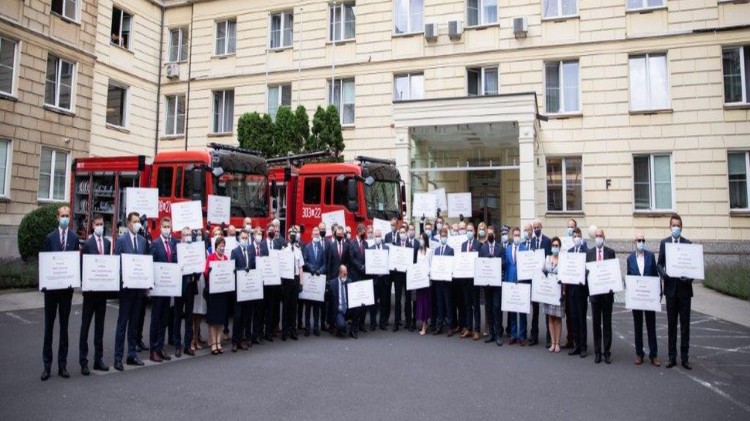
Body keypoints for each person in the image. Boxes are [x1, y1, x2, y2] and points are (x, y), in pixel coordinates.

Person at [40, 206, 79, 381]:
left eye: (67, 216)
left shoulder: (74, 238)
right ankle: (47, 366)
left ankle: (62, 365)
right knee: (49, 328)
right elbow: (46, 263)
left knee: (64, 328)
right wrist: (45, 283)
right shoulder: (50, 238)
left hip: (66, 292)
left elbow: (74, 263)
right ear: (57, 218)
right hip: (51, 292)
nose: (65, 218)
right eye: (62, 216)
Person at [113, 212, 150, 371]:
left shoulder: (142, 241)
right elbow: (117, 262)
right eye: (134, 222)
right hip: (126, 289)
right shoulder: (121, 240)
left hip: (139, 290)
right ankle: (118, 357)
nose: (137, 224)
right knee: (122, 323)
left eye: (138, 222)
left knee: (134, 324)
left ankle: (132, 354)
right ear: (128, 224)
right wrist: (124, 277)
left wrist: (147, 283)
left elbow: (146, 262)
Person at [657, 214, 694, 370]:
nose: (676, 228)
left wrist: (689, 278)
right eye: (674, 225)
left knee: (685, 326)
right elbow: (659, 264)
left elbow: (693, 267)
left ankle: (684, 358)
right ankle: (672, 357)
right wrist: (663, 274)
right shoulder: (664, 243)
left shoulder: (688, 244)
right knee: (672, 325)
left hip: (685, 291)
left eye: (678, 225)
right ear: (670, 226)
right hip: (671, 291)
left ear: (681, 227)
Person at [79, 214, 110, 375]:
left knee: (100, 328)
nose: (100, 227)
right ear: (92, 226)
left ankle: (98, 359)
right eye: (97, 224)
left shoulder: (107, 242)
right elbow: (83, 266)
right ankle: (83, 361)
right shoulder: (88, 244)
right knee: (85, 327)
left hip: (102, 293)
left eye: (101, 224)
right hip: (90, 294)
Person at [627, 232, 660, 367]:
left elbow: (655, 275)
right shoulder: (630, 259)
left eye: (643, 240)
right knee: (638, 326)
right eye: (638, 240)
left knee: (651, 326)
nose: (641, 242)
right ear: (634, 242)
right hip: (636, 297)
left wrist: (659, 292)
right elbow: (629, 277)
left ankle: (654, 355)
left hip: (649, 296)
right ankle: (639, 353)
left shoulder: (651, 256)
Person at [149, 217, 177, 362]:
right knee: (155, 319)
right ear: (160, 227)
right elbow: (151, 265)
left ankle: (160, 347)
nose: (167, 229)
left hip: (168, 288)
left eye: (169, 227)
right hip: (158, 289)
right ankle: (153, 350)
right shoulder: (155, 244)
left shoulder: (173, 244)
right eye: (165, 226)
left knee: (164, 319)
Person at [586, 228, 616, 365]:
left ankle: (607, 352)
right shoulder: (590, 253)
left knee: (607, 324)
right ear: (594, 238)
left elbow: (614, 272)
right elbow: (587, 273)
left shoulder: (610, 252)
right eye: (596, 236)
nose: (598, 238)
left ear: (604, 237)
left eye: (600, 236)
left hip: (607, 295)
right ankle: (597, 352)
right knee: (596, 324)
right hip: (595, 295)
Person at [174, 227, 198, 357]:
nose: (189, 236)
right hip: (180, 286)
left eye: (190, 234)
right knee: (178, 316)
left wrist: (197, 272)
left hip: (191, 286)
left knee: (189, 317)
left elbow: (200, 266)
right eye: (186, 234)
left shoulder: (195, 249)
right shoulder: (177, 248)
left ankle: (187, 345)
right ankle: (177, 345)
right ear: (182, 236)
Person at [204, 237, 230, 355]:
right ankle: (213, 342)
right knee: (213, 319)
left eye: (223, 245)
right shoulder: (210, 257)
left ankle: (218, 341)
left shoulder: (226, 258)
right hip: (213, 293)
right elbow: (205, 273)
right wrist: (209, 271)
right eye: (220, 245)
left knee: (220, 319)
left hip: (223, 293)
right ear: (215, 246)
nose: (222, 247)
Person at [567, 227, 589, 358]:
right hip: (571, 291)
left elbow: (588, 270)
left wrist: (584, 278)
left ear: (581, 237)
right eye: (574, 236)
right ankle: (576, 344)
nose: (576, 238)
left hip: (581, 290)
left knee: (582, 319)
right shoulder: (569, 252)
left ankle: (583, 346)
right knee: (573, 318)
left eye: (578, 236)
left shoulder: (586, 252)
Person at [480, 226, 504, 346]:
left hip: (496, 284)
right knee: (488, 308)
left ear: (494, 235)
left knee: (497, 308)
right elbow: (479, 264)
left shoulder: (500, 248)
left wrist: (495, 260)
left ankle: (499, 334)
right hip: (486, 284)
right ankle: (491, 333)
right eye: (488, 233)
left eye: (491, 234)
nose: (490, 235)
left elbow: (504, 263)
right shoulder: (483, 248)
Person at [504, 227, 529, 345]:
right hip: (510, 281)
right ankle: (513, 334)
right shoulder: (508, 249)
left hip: (522, 282)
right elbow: (507, 266)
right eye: (515, 235)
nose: (517, 237)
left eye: (518, 235)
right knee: (512, 309)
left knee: (522, 310)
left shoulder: (525, 249)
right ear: (512, 236)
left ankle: (522, 336)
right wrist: (506, 282)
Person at [231, 230, 254, 352]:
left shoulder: (250, 251)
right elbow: (233, 269)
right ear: (239, 239)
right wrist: (242, 270)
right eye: (243, 238)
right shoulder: (234, 252)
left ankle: (242, 339)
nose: (245, 240)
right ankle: (234, 341)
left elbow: (254, 266)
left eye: (246, 238)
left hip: (248, 289)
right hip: (239, 289)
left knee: (246, 316)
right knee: (237, 316)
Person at [530, 219, 552, 347]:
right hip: (534, 279)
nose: (536, 229)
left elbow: (549, 257)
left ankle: (549, 337)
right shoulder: (531, 241)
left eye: (538, 227)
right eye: (534, 227)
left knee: (547, 309)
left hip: (544, 278)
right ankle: (534, 336)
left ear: (541, 227)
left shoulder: (547, 241)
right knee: (535, 310)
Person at [303, 227, 328, 337]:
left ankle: (316, 328)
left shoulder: (322, 248)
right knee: (308, 307)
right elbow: (305, 260)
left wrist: (320, 270)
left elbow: (324, 264)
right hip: (310, 279)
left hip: (318, 279)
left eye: (318, 234)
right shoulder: (307, 247)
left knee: (317, 307)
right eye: (315, 234)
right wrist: (311, 268)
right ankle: (307, 328)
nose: (317, 235)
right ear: (312, 235)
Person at [281, 227, 304, 341]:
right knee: (286, 306)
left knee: (294, 306)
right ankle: (284, 330)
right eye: (291, 234)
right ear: (288, 235)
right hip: (286, 280)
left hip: (295, 278)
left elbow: (300, 267)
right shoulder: (283, 249)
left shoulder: (298, 250)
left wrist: (301, 283)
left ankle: (292, 330)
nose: (293, 236)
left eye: (294, 234)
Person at [459, 223, 481, 340]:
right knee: (467, 305)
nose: (468, 232)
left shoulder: (479, 245)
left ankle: (477, 330)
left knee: (476, 305)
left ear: (475, 232)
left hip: (475, 279)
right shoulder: (463, 245)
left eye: (470, 230)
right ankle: (469, 328)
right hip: (465, 279)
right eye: (467, 230)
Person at [542, 237, 565, 353]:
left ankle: (558, 343)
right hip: (548, 292)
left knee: (558, 319)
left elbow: (565, 275)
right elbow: (542, 272)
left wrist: (564, 292)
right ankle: (552, 342)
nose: (555, 247)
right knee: (550, 318)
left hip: (558, 292)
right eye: (553, 245)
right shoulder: (547, 258)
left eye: (557, 246)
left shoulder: (563, 260)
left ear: (560, 247)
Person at [393, 225, 417, 332]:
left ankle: (409, 323)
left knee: (408, 300)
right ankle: (396, 323)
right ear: (399, 234)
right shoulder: (396, 246)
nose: (402, 234)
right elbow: (392, 261)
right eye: (400, 232)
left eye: (404, 232)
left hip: (407, 276)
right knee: (397, 300)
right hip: (398, 276)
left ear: (406, 233)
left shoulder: (410, 246)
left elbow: (412, 262)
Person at [326, 225, 349, 333]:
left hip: (343, 276)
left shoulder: (346, 245)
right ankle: (331, 324)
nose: (340, 235)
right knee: (332, 302)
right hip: (333, 278)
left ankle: (341, 321)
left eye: (341, 234)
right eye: (338, 234)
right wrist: (329, 278)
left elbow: (347, 261)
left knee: (341, 299)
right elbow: (329, 262)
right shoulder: (331, 245)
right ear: (335, 234)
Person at [433, 227, 454, 336]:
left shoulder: (450, 250)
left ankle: (450, 326)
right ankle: (439, 325)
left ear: (447, 237)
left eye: (445, 236)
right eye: (442, 236)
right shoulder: (436, 250)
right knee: (439, 304)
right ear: (439, 237)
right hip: (438, 282)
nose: (443, 237)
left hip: (447, 282)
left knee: (448, 304)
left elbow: (452, 265)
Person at [367, 230, 390, 331]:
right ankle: (373, 323)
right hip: (375, 280)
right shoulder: (370, 249)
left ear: (381, 237)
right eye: (376, 236)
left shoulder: (387, 248)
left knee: (384, 303)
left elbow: (390, 263)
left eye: (379, 236)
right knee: (373, 304)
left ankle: (382, 323)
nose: (377, 238)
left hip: (384, 280)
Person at [348, 223, 369, 332]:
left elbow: (368, 258)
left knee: (364, 301)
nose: (364, 234)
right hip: (355, 275)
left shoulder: (366, 244)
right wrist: (360, 266)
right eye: (363, 232)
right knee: (356, 302)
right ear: (358, 231)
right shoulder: (351, 243)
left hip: (364, 275)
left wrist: (366, 266)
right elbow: (351, 258)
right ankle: (354, 324)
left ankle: (362, 324)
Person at [330, 265, 361, 339]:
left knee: (359, 308)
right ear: (340, 273)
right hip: (339, 310)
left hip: (348, 309)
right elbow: (330, 303)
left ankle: (352, 330)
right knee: (341, 326)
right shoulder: (333, 283)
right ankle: (339, 327)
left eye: (346, 273)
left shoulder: (349, 282)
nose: (346, 275)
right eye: (344, 274)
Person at [415, 233, 433, 336]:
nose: (420, 240)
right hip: (419, 280)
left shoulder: (430, 251)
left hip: (426, 280)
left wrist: (428, 273)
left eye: (422, 238)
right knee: (420, 301)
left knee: (426, 302)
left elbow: (431, 265)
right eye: (420, 238)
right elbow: (417, 265)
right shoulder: (418, 251)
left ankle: (424, 325)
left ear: (426, 240)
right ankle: (422, 322)